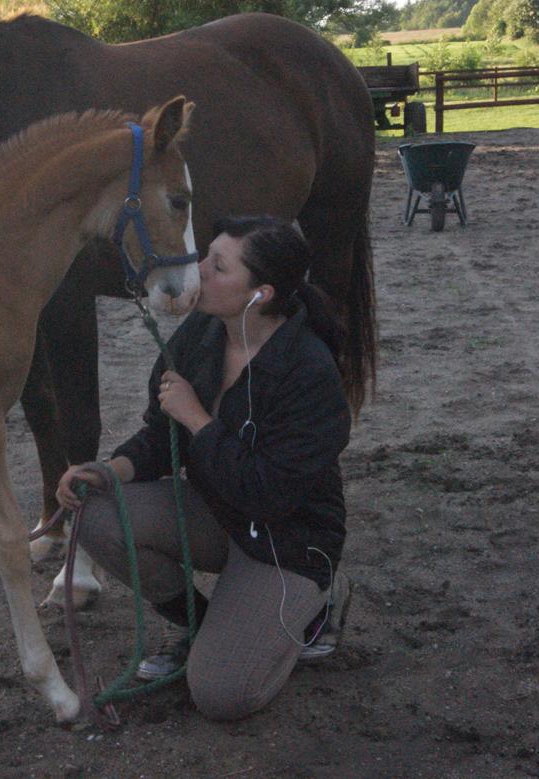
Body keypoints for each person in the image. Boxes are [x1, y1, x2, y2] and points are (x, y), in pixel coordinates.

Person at [56, 216, 352, 721]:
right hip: (219, 510)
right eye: (204, 257)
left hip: (288, 539)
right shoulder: (201, 332)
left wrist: (198, 417)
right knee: (99, 513)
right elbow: (159, 435)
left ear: (260, 294)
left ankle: (320, 602)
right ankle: (202, 625)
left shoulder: (309, 371)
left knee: (222, 696)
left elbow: (267, 495)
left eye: (217, 267)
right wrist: (108, 470)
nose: (198, 273)